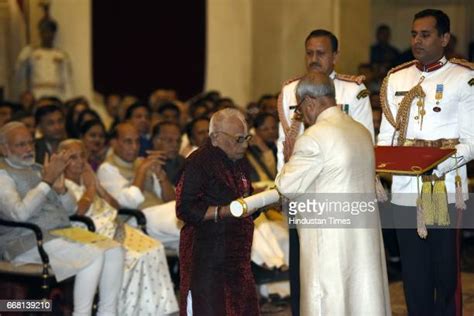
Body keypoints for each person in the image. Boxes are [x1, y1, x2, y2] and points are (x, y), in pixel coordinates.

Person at [378, 9, 474, 315]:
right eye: (414, 34)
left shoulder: (463, 78)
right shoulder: (397, 77)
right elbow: (385, 138)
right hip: (405, 189)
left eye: (426, 34)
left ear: (445, 38)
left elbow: (471, 142)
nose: (417, 40)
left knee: (444, 273)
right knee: (414, 273)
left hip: (439, 188)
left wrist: (433, 164)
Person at [276, 28, 375, 315]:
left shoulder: (352, 91)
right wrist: (283, 191)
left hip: (338, 192)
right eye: (309, 53)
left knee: (340, 264)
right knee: (302, 265)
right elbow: (283, 145)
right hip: (300, 189)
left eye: (321, 53)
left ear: (335, 56)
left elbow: (364, 142)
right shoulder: (289, 91)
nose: (314, 59)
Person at [0, 122, 124, 315]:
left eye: (30, 143)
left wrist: (61, 190)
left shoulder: (39, 168)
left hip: (60, 235)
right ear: (4, 148)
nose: (28, 149)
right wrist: (46, 182)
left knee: (114, 249)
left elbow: (71, 210)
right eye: (20, 145)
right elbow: (19, 214)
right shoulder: (3, 175)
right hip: (26, 241)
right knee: (92, 256)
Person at [61, 139, 179, 315]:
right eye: (73, 157)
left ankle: (154, 311)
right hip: (87, 234)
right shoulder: (62, 185)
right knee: (134, 256)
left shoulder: (88, 179)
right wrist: (92, 189)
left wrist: (98, 188)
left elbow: (115, 207)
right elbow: (77, 212)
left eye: (82, 156)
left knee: (153, 247)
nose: (79, 162)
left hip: (112, 226)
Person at [176, 108, 259, 315]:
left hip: (237, 257)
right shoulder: (199, 162)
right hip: (207, 255)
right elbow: (184, 208)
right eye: (239, 139)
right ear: (215, 137)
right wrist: (225, 212)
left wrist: (260, 201)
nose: (245, 144)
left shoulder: (239, 160)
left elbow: (245, 198)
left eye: (247, 137)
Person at [97, 123, 180, 250]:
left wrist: (161, 177)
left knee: (194, 230)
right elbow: (128, 203)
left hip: (160, 215)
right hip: (135, 220)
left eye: (137, 141)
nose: (134, 147)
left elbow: (172, 200)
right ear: (114, 143)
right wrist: (141, 171)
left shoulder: (142, 162)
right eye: (128, 142)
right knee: (191, 218)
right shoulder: (107, 168)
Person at [15, 17, 73, 100]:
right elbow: (20, 75)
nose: (47, 35)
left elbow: (67, 80)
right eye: (44, 31)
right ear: (40, 33)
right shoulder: (31, 53)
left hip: (57, 93)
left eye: (50, 32)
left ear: (54, 33)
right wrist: (22, 58)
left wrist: (68, 99)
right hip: (37, 93)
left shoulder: (62, 55)